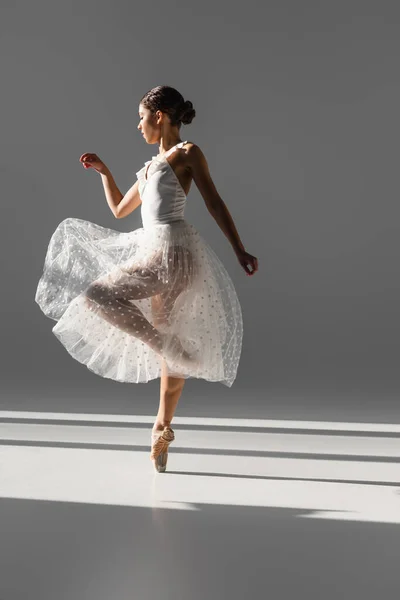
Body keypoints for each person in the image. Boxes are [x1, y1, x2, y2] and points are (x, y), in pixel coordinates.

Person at [35, 85, 258, 472]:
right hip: (158, 251)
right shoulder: (151, 165)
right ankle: (162, 427)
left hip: (172, 251)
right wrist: (105, 173)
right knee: (165, 340)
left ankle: (171, 350)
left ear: (159, 115)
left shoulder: (187, 154)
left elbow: (214, 202)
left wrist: (239, 249)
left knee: (100, 297)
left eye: (141, 117)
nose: (138, 126)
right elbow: (121, 209)